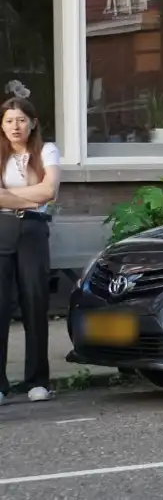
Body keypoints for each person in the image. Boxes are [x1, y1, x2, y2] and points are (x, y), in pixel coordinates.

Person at [0, 97, 61, 405]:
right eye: (9, 120)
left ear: (33, 122)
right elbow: (38, 194)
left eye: (21, 120)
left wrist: (8, 196)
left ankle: (37, 380)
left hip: (34, 230)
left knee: (35, 302)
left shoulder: (46, 151)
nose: (15, 126)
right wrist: (29, 197)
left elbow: (49, 191)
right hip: (2, 229)